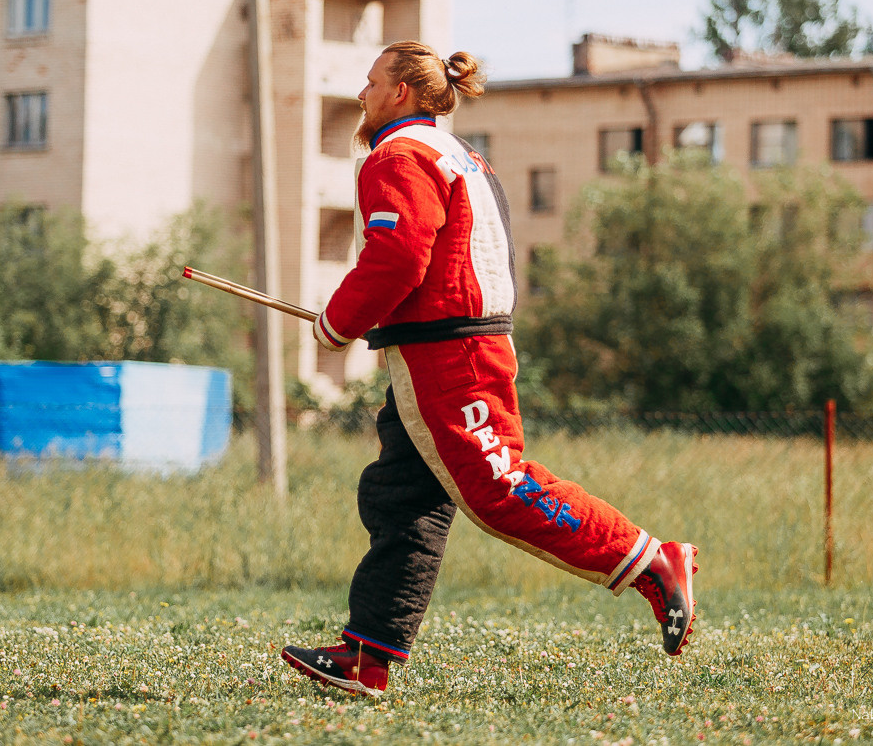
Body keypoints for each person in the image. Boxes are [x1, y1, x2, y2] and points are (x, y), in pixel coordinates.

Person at [281, 41, 698, 696]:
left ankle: (650, 561)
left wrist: (337, 323)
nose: (361, 94)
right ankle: (368, 656)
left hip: (449, 355)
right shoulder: (462, 155)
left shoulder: (398, 155)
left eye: (371, 82)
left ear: (400, 92)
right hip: (453, 346)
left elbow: (397, 258)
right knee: (400, 497)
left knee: (499, 489)